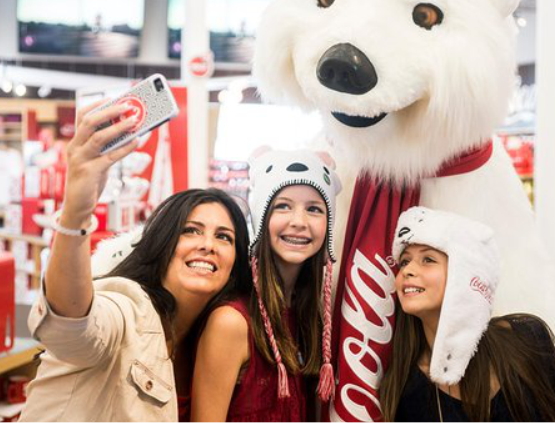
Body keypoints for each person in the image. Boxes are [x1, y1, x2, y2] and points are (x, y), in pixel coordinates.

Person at [20, 101, 251, 421]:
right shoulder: (128, 308)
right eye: (191, 231)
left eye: (224, 237)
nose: (208, 245)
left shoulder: (209, 340)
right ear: (163, 242)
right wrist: (76, 211)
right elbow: (70, 329)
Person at [379, 207, 555, 422]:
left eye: (428, 260)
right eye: (404, 261)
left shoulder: (526, 340)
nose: (407, 270)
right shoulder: (406, 389)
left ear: (465, 273)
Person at [191, 150, 341, 422]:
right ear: (261, 218)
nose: (299, 221)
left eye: (314, 209)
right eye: (283, 206)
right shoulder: (232, 322)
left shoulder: (310, 317)